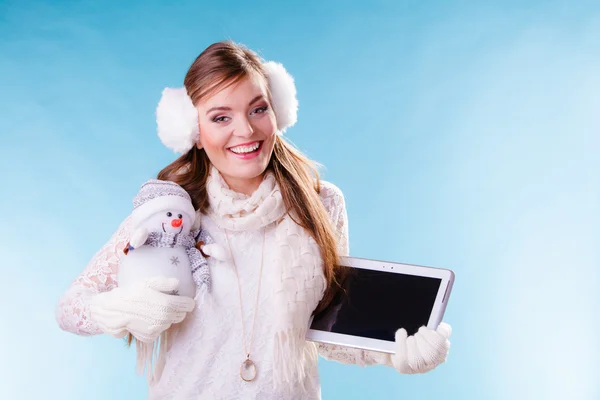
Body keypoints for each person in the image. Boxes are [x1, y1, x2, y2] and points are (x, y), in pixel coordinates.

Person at [55, 40, 452, 400]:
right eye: (220, 117)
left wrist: (396, 351)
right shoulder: (171, 212)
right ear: (193, 131)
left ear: (277, 111)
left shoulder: (322, 204)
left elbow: (323, 330)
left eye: (257, 109)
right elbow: (71, 307)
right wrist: (119, 308)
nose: (245, 130)